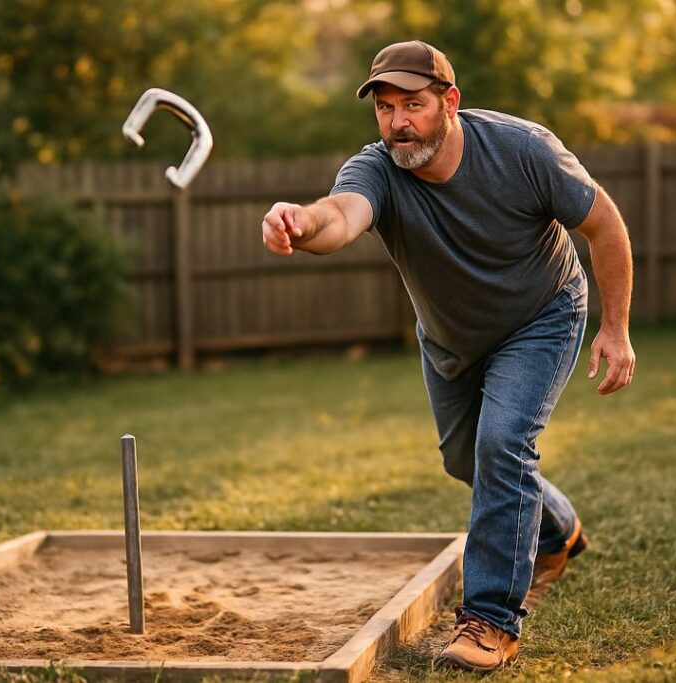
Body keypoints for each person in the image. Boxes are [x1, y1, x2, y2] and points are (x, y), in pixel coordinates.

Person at [261, 40, 635, 671]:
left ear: (450, 102)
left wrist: (616, 328)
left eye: (413, 104)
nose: (398, 122)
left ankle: (490, 621)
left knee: (502, 446)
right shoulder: (378, 168)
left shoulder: (523, 150)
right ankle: (558, 531)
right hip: (451, 337)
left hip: (540, 316)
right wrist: (301, 222)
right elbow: (341, 217)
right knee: (467, 459)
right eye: (385, 108)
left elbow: (605, 224)